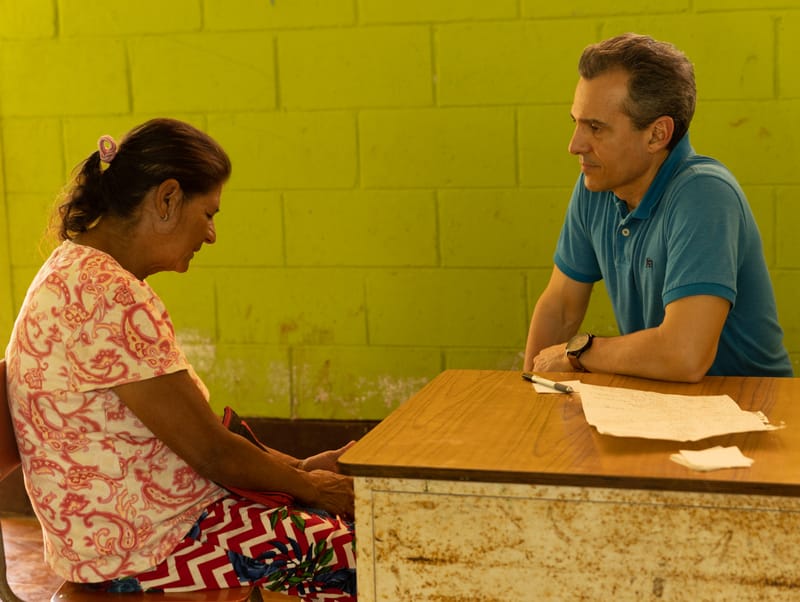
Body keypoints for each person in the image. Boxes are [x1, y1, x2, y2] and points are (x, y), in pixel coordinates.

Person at [4, 118, 357, 600]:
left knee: (337, 523)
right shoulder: (107, 294)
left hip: (134, 531)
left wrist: (299, 470)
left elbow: (196, 434)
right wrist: (314, 486)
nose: (211, 234)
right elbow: (212, 452)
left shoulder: (76, 271)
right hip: (146, 546)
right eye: (208, 213)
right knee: (364, 552)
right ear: (168, 199)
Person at [524, 33, 792, 382]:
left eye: (595, 127)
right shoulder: (597, 183)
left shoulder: (704, 193)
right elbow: (560, 308)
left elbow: (684, 356)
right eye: (575, 122)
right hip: (660, 401)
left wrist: (577, 352)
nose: (575, 145)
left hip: (749, 410)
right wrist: (529, 390)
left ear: (657, 134)